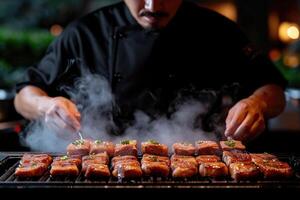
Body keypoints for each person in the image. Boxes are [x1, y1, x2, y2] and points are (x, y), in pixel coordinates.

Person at [14, 0, 287, 142]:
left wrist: (257, 103)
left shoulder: (219, 31)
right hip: (106, 174)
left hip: (207, 174)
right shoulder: (85, 32)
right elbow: (24, 94)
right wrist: (45, 105)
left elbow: (273, 90)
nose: (153, 6)